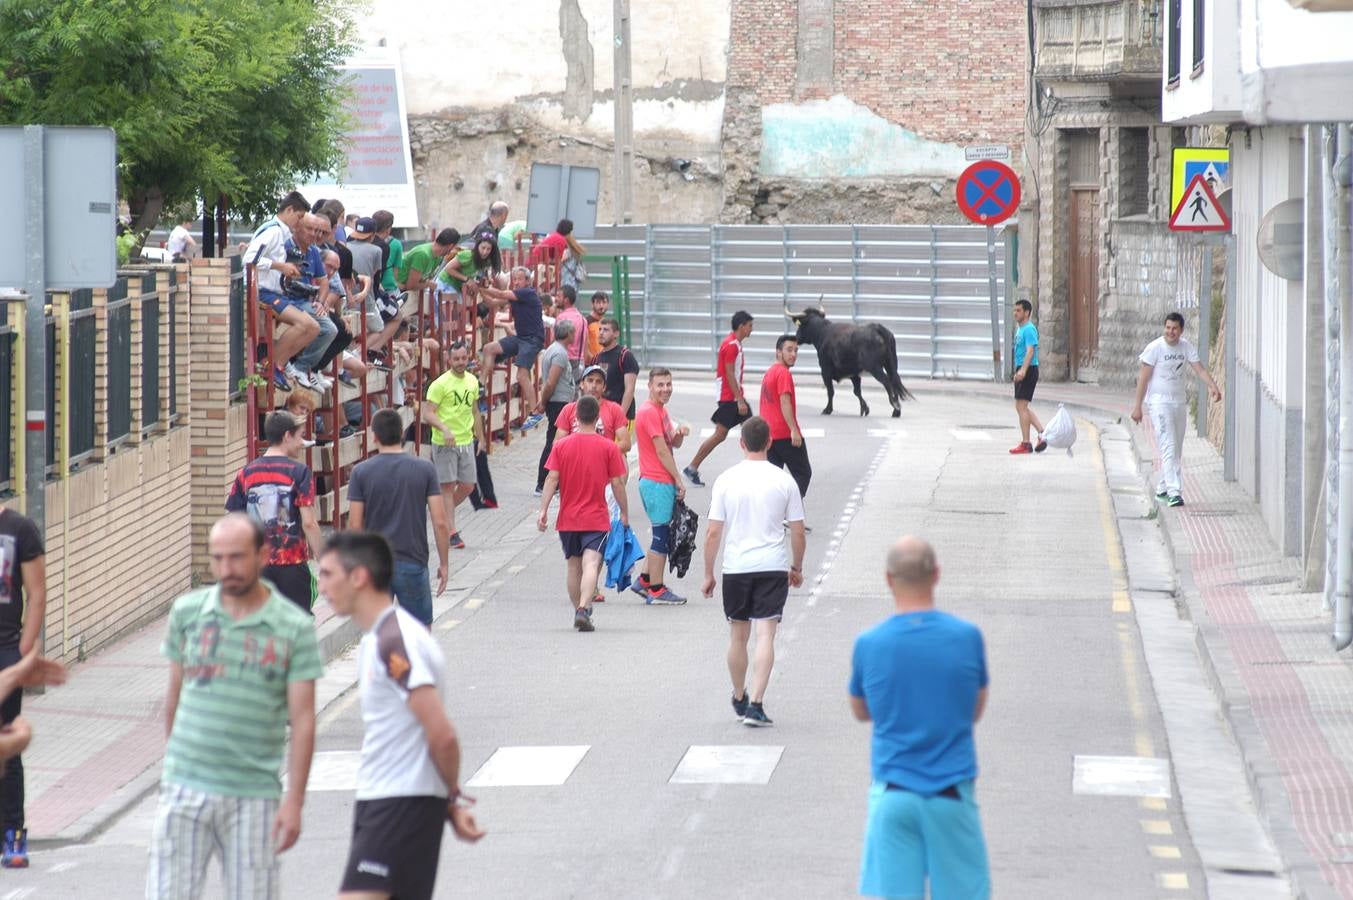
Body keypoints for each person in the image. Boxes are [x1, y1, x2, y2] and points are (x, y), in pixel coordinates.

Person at [146, 514, 323, 900]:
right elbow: (174, 697)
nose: (227, 569)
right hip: (185, 789)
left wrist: (294, 802)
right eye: (218, 558)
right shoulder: (187, 614)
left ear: (262, 555)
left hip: (253, 794)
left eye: (237, 557)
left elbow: (304, 720)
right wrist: (173, 770)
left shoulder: (293, 627)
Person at [318, 532, 484, 900]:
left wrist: (450, 796)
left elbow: (441, 733)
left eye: (328, 574)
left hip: (398, 804)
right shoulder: (379, 638)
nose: (322, 585)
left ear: (359, 576)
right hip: (389, 800)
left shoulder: (394, 640)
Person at [848, 537, 991, 900]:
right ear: (936, 575)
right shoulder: (967, 637)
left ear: (888, 579)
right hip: (951, 791)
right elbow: (974, 709)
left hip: (893, 792)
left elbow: (861, 710)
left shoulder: (870, 643)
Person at [700, 416, 805, 728]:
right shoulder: (785, 481)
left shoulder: (726, 480)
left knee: (738, 633)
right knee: (765, 634)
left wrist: (708, 573)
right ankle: (757, 703)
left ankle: (739, 693)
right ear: (770, 442)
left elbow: (713, 533)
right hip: (772, 565)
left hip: (736, 567)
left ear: (741, 443)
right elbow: (797, 532)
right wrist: (796, 567)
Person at [348, 409, 451, 628]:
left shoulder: (361, 472)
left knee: (377, 632)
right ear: (402, 434)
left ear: (374, 436)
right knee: (420, 632)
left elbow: (355, 525)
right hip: (413, 560)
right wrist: (444, 563)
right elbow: (440, 522)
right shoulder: (425, 469)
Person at [538, 396, 630, 632]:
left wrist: (543, 510)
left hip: (568, 518)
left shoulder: (561, 446)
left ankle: (578, 609)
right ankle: (583, 607)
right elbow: (618, 483)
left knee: (573, 566)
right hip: (596, 516)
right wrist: (624, 512)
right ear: (598, 418)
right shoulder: (608, 446)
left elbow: (552, 478)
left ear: (576, 417)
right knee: (592, 563)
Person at [224, 411, 324, 614]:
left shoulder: (246, 474)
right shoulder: (299, 472)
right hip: (292, 564)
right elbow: (309, 523)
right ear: (287, 436)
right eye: (299, 436)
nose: (301, 442)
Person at [1130, 311, 1222, 508]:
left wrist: (1213, 386)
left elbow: (1199, 370)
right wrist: (1137, 406)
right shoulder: (1154, 348)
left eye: (1174, 329)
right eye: (1168, 328)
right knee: (1168, 445)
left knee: (1176, 448)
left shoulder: (1185, 347)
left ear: (1181, 330)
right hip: (1159, 404)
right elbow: (1143, 379)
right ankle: (1175, 492)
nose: (1170, 332)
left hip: (1179, 403)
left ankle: (1162, 488)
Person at [0, 506, 49, 867]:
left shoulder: (20, 529)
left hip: (5, 650)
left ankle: (13, 833)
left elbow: (36, 593)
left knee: (6, 740)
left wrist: (24, 652)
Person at [243, 192, 320, 392]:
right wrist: (280, 266)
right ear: (289, 210)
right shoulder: (273, 231)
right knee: (305, 324)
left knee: (313, 327)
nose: (299, 222)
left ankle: (275, 363)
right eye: (299, 217)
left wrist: (286, 272)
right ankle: (270, 366)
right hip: (262, 291)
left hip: (275, 291)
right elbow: (249, 259)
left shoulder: (281, 232)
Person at [632, 368, 689, 604]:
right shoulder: (648, 412)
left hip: (656, 481)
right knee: (661, 537)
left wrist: (680, 433)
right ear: (650, 386)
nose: (665, 389)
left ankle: (644, 580)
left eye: (668, 384)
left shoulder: (660, 411)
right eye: (660, 385)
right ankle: (656, 588)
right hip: (657, 481)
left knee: (661, 532)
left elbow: (672, 443)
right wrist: (678, 478)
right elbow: (662, 451)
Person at [421, 342, 484, 551]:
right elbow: (428, 413)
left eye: (463, 358)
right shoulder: (440, 384)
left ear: (468, 357)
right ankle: (451, 531)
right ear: (449, 359)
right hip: (443, 442)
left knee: (468, 485)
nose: (460, 362)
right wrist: (444, 428)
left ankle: (439, 512)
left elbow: (475, 411)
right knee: (446, 486)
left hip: (466, 440)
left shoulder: (472, 381)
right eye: (456, 359)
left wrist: (481, 438)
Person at [684, 311, 755, 486]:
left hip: (731, 396)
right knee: (751, 432)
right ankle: (692, 467)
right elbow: (729, 373)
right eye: (750, 325)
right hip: (730, 398)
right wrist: (739, 399)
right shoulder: (731, 345)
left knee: (733, 433)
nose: (751, 329)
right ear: (741, 326)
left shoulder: (734, 343)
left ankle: (692, 468)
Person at [478, 266, 547, 429]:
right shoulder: (515, 296)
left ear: (528, 282)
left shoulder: (528, 293)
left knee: (522, 376)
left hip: (532, 340)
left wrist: (482, 287)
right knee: (489, 348)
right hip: (520, 338)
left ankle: (535, 412)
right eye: (514, 279)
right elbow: (492, 302)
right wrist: (480, 291)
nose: (515, 282)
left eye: (519, 279)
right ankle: (481, 384)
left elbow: (501, 294)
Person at [760, 335, 812, 500]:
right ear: (778, 352)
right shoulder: (783, 374)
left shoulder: (769, 372)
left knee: (773, 480)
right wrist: (794, 430)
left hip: (769, 436)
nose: (793, 354)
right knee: (803, 473)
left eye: (796, 350)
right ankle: (790, 511)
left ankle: (774, 515)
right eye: (789, 350)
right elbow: (784, 402)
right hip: (784, 434)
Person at [535, 320, 579, 496]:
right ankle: (543, 482)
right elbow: (551, 382)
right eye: (573, 333)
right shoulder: (559, 354)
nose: (575, 337)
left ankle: (549, 482)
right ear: (568, 334)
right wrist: (543, 401)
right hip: (558, 403)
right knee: (555, 442)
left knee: (555, 441)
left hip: (557, 401)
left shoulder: (554, 350)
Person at [1009, 299, 1047, 455]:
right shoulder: (1021, 329)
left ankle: (1026, 443)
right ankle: (1042, 434)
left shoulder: (1029, 329)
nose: (1015, 313)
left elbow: (1030, 351)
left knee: (1021, 407)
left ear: (1026, 312)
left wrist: (1023, 370)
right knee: (1021, 406)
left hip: (1029, 369)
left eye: (1018, 310)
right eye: (1015, 310)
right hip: (1023, 368)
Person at [594, 317, 640, 423]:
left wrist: (620, 417)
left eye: (606, 330)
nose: (601, 333)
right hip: (601, 417)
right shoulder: (596, 358)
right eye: (600, 329)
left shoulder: (625, 356)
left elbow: (630, 389)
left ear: (616, 334)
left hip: (622, 417)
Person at [553, 285, 590, 372]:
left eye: (558, 296)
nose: (555, 299)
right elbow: (585, 346)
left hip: (562, 361)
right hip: (579, 363)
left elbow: (555, 342)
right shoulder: (583, 319)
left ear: (566, 300)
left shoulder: (561, 318)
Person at [586, 290, 609, 360]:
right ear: (592, 304)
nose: (601, 306)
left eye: (604, 302)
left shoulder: (607, 323)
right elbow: (584, 347)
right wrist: (594, 361)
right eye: (598, 302)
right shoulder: (586, 322)